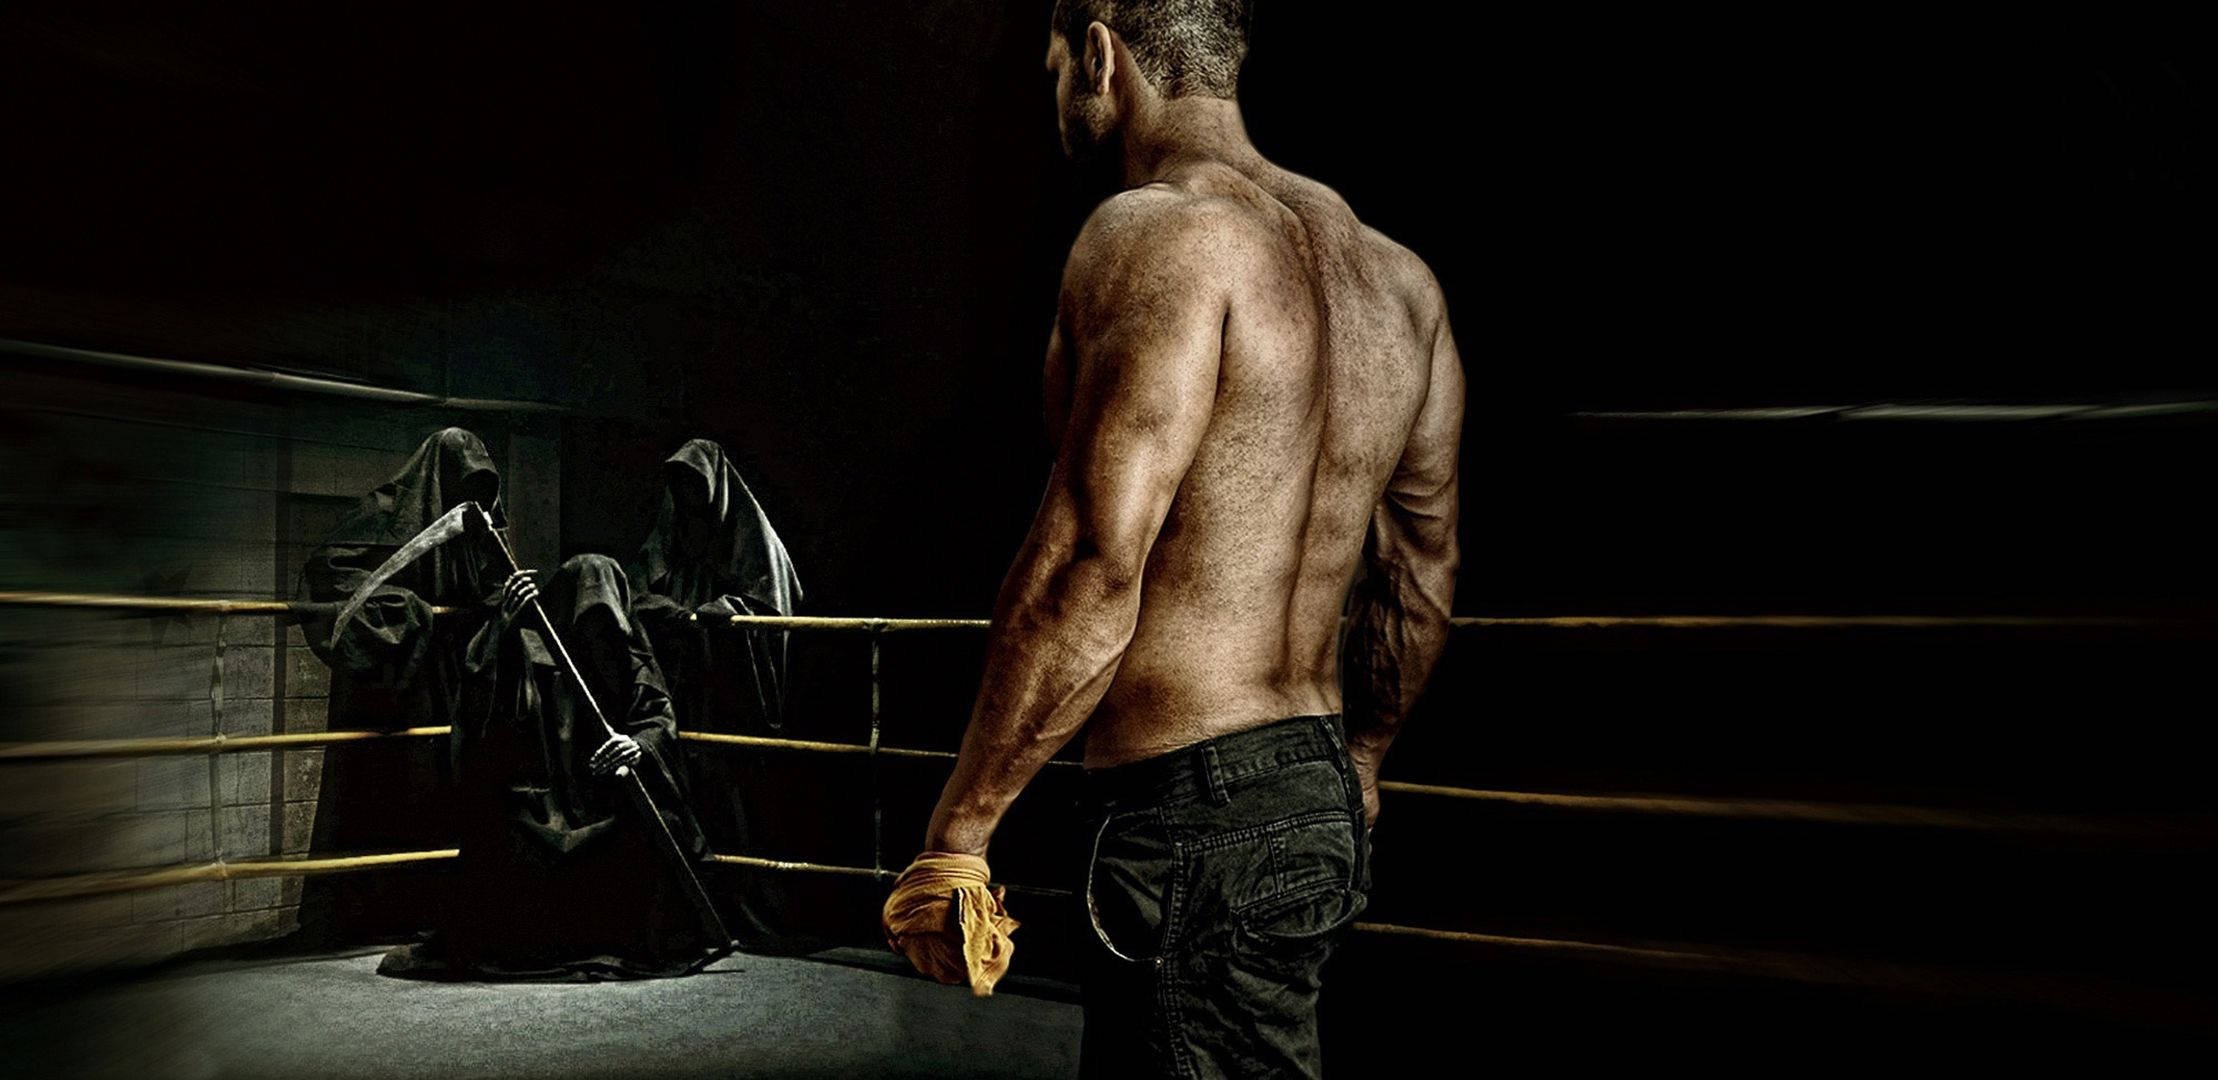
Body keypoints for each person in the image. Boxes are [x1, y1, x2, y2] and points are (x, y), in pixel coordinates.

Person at [883, 2, 1464, 1076]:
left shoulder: (1156, 236)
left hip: (1190, 808)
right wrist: (1360, 765)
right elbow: (1419, 577)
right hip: (1315, 790)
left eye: (1057, 67)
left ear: (1102, 54)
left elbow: (1090, 566)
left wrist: (959, 834)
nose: (1058, 93)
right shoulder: (1400, 284)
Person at [378, 552, 728, 980]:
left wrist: (636, 746)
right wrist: (504, 630)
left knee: (657, 827)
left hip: (608, 795)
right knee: (510, 834)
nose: (596, 635)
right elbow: (486, 715)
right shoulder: (534, 650)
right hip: (548, 796)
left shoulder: (628, 651)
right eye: (586, 621)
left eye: (605, 623)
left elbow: (657, 716)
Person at [299, 427, 506, 942]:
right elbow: (330, 572)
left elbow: (488, 588)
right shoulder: (385, 510)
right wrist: (402, 610)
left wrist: (500, 602)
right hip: (396, 686)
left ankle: (437, 909)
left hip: (452, 684)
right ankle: (374, 914)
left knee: (444, 791)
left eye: (481, 488)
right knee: (388, 790)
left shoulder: (479, 524)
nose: (471, 498)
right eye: (464, 484)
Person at [627, 439, 807, 950]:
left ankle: (743, 903)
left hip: (733, 697)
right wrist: (669, 613)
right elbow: (636, 589)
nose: (687, 495)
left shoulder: (753, 541)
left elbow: (774, 602)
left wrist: (726, 612)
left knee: (737, 799)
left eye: (695, 484)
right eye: (679, 485)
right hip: (683, 692)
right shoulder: (672, 536)